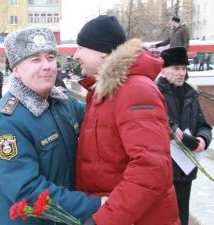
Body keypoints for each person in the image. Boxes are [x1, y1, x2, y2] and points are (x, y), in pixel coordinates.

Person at [0, 27, 103, 225]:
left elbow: (102, 121)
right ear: (17, 70)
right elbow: (28, 191)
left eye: (50, 57)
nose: (47, 66)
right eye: (36, 60)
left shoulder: (62, 103)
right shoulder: (6, 123)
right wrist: (95, 204)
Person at [73, 15, 180, 225]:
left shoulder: (135, 90)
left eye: (81, 47)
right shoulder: (106, 90)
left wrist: (103, 220)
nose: (76, 55)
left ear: (102, 52)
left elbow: (150, 168)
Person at [157, 47, 212, 225]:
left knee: (182, 218)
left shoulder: (191, 93)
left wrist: (203, 140)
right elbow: (153, 121)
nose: (182, 73)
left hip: (185, 170)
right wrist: (171, 129)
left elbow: (203, 125)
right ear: (164, 70)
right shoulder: (154, 91)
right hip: (162, 171)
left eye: (184, 68)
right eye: (177, 68)